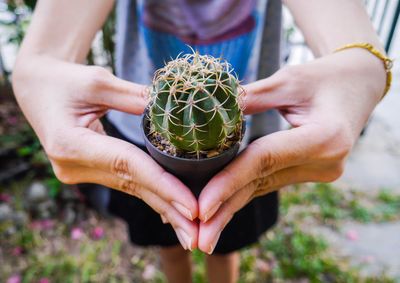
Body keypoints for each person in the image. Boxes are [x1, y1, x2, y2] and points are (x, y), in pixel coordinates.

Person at [12, 0, 391, 282]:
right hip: (142, 144)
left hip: (251, 148)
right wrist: (36, 68)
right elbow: (46, 52)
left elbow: (342, 27)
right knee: (168, 240)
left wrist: (362, 62)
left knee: (223, 245)